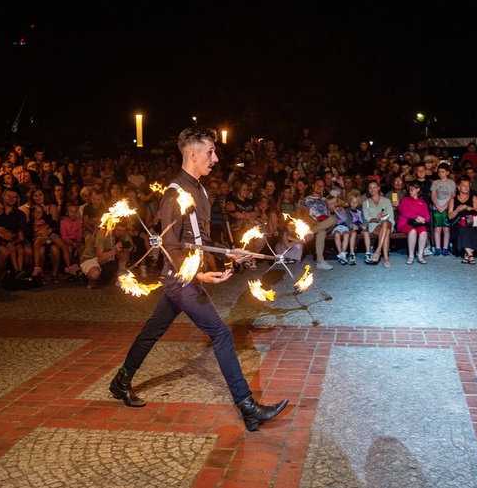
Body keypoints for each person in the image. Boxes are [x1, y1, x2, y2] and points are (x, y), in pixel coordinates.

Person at [109, 126, 288, 432]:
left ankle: (121, 380)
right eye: (210, 152)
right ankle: (248, 407)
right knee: (221, 334)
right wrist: (197, 273)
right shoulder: (173, 195)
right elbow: (170, 246)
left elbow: (201, 240)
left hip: (186, 279)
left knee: (153, 330)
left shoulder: (201, 190)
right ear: (192, 154)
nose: (215, 158)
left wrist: (227, 254)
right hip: (179, 280)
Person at [299, 177, 337, 270]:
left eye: (322, 186)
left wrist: (337, 208)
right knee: (322, 231)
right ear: (313, 186)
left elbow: (334, 208)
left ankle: (310, 233)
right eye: (318, 185)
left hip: (326, 223)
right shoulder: (306, 200)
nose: (320, 187)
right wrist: (316, 223)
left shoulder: (326, 199)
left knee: (334, 218)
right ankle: (320, 261)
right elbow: (305, 216)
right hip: (314, 224)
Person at [448, 176, 477, 264]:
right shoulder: (453, 199)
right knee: (463, 229)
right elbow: (450, 216)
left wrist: (466, 207)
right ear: (458, 187)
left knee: (476, 229)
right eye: (464, 186)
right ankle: (470, 254)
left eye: (468, 186)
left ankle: (467, 255)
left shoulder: (473, 197)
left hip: (471, 222)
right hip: (458, 223)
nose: (466, 188)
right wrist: (457, 210)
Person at [396, 180, 430, 265]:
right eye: (409, 190)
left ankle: (420, 255)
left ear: (418, 190)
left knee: (423, 232)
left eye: (412, 190)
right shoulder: (405, 200)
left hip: (417, 224)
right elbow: (404, 212)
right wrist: (416, 216)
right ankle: (411, 256)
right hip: (405, 223)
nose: (410, 192)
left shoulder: (422, 202)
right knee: (412, 231)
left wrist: (423, 219)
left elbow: (427, 216)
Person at [362, 179, 394, 266]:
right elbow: (367, 217)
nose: (372, 190)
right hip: (374, 225)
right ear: (368, 190)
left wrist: (383, 217)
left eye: (374, 187)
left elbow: (391, 215)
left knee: (385, 223)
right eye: (370, 188)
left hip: (388, 223)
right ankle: (386, 259)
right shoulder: (366, 203)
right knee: (385, 231)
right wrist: (377, 219)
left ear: (378, 188)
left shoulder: (386, 201)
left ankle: (378, 251)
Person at [430, 163, 455, 256]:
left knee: (446, 229)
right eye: (439, 172)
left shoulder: (451, 183)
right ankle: (437, 248)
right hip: (436, 209)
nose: (441, 174)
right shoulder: (435, 182)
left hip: (447, 209)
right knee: (437, 229)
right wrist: (438, 206)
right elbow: (432, 196)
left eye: (443, 172)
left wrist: (445, 206)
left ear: (447, 172)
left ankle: (445, 248)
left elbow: (453, 196)